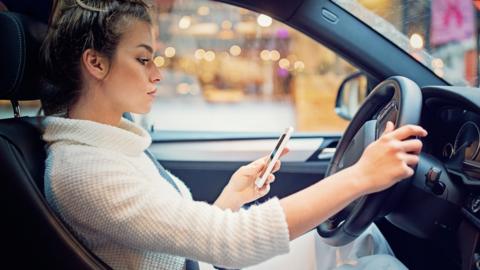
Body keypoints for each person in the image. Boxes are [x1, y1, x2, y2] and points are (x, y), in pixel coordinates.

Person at [40, 0, 427, 269]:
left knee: (358, 242)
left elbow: (175, 235)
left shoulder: (108, 144)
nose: (156, 73)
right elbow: (231, 241)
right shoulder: (82, 169)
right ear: (95, 63)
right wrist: (360, 176)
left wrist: (232, 197)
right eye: (143, 59)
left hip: (206, 265)